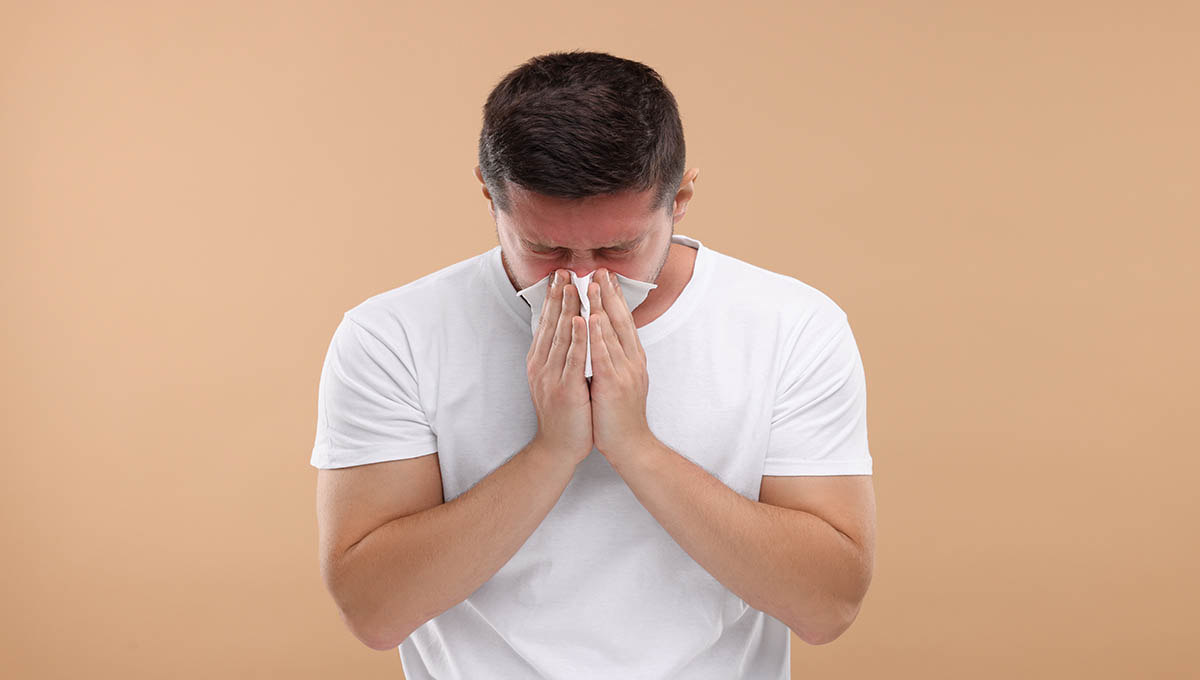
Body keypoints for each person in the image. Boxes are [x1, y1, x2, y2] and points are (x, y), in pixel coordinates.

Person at [311, 50, 876, 679]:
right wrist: (552, 452)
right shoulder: (393, 336)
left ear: (681, 197)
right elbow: (375, 612)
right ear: (488, 197)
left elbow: (828, 607)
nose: (582, 280)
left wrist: (636, 446)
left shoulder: (791, 325)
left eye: (618, 248)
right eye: (544, 248)